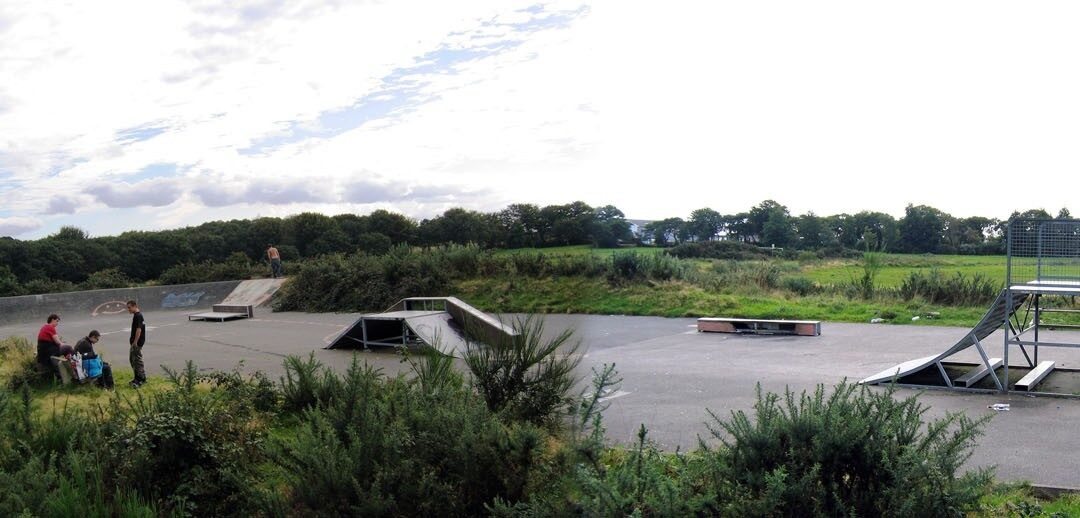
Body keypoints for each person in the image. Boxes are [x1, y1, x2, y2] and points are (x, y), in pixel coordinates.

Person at [36, 314, 66, 379]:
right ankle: (69, 371)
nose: (57, 323)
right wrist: (63, 344)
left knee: (63, 349)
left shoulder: (45, 326)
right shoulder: (50, 327)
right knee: (67, 348)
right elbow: (58, 342)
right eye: (57, 321)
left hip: (42, 350)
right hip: (47, 351)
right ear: (52, 320)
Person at [127, 300, 147, 388]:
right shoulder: (136, 315)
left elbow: (139, 330)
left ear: (135, 306)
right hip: (135, 343)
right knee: (133, 360)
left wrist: (135, 342)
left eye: (129, 307)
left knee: (137, 361)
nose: (128, 309)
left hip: (137, 343)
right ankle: (136, 378)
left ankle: (141, 379)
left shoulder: (138, 316)